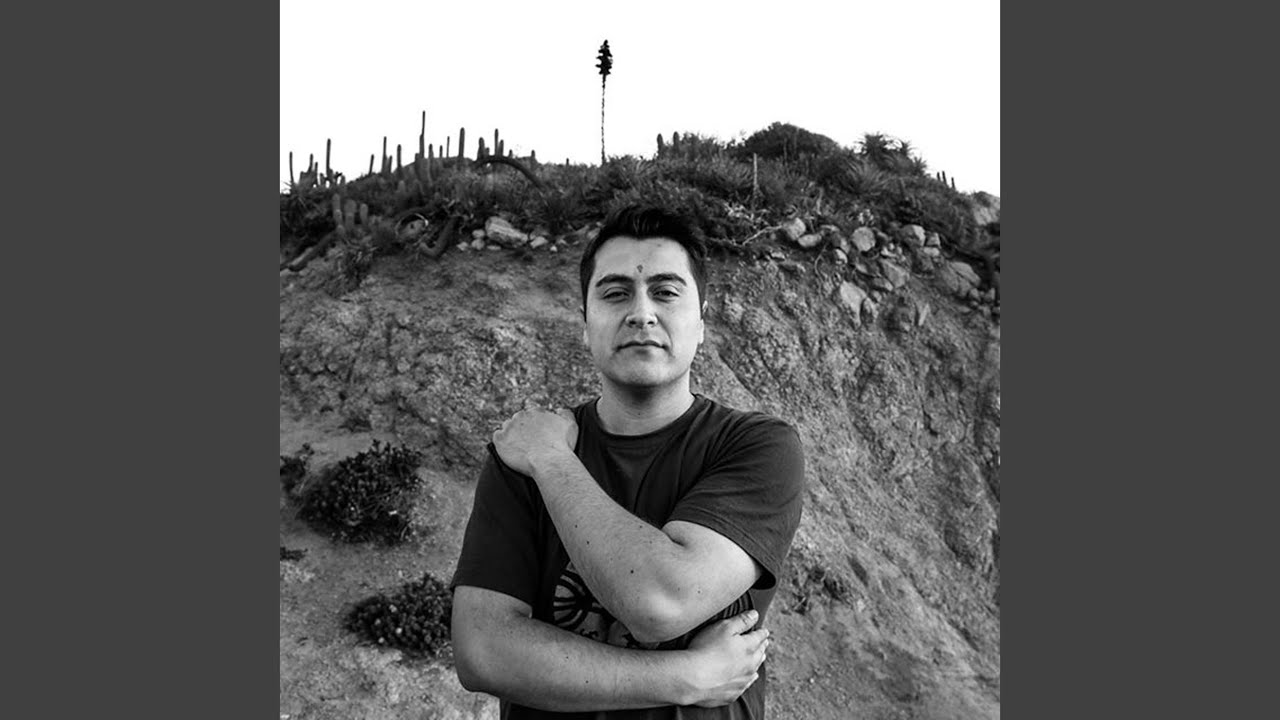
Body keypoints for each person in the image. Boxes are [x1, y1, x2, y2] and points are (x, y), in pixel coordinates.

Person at [450, 204, 806, 718]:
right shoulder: (523, 453)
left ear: (702, 322)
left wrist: (553, 463)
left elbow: (662, 602)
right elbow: (482, 651)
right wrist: (685, 678)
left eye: (666, 292)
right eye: (615, 293)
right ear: (585, 323)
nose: (641, 313)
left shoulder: (756, 446)